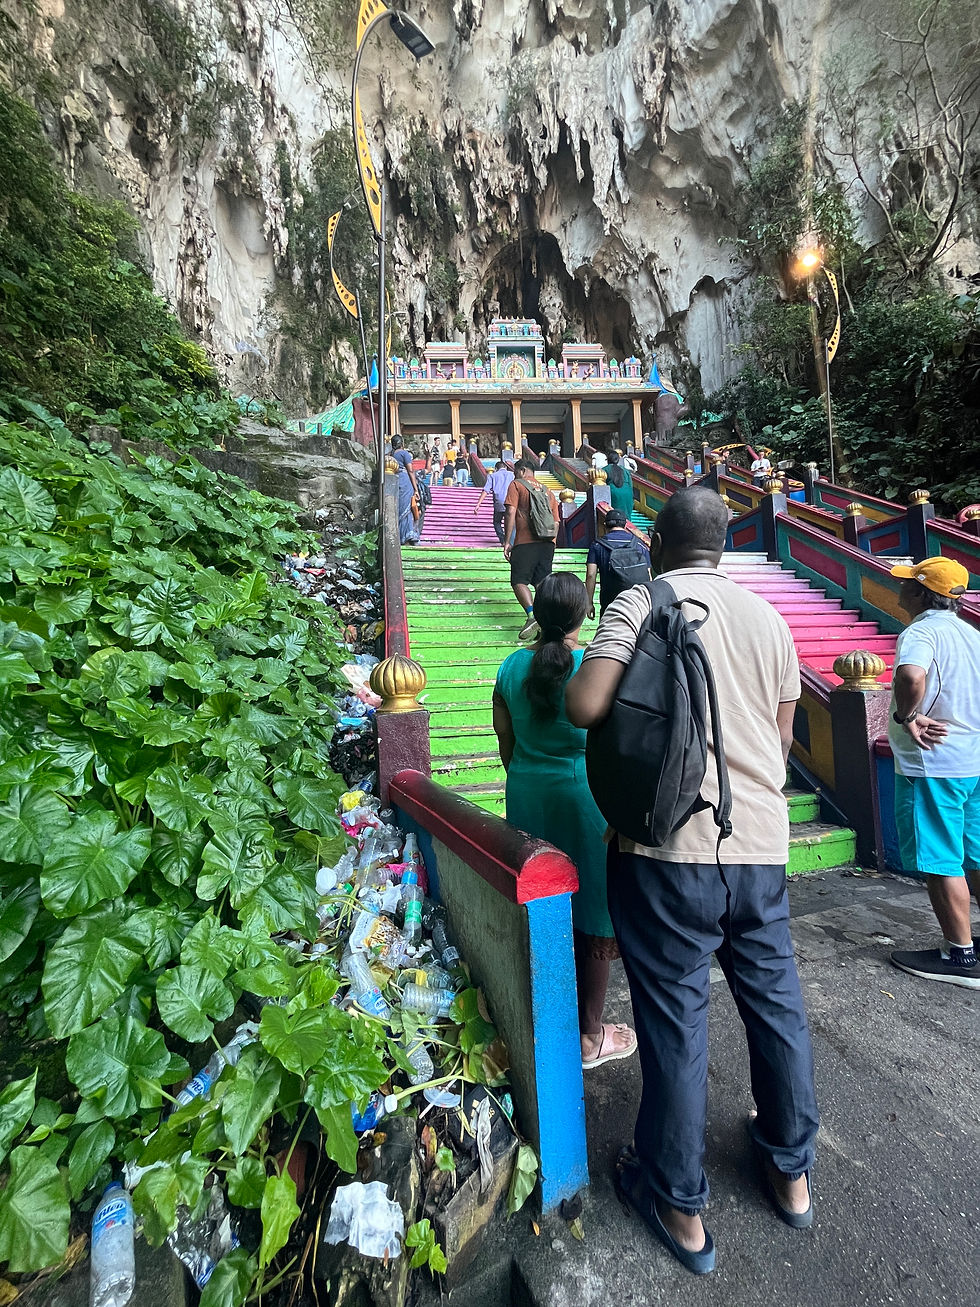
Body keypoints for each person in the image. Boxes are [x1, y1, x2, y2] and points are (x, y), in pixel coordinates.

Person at [565, 486, 818, 1276]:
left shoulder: (642, 599)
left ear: (658, 541)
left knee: (676, 1017)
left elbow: (583, 703)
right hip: (760, 846)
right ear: (729, 540)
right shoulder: (769, 618)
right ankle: (791, 1170)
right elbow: (778, 746)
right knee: (775, 1003)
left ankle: (678, 1202)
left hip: (667, 849)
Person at [493, 573, 637, 1069]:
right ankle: (589, 1036)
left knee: (540, 900)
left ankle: (545, 1015)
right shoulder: (590, 666)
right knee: (593, 908)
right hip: (583, 797)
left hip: (527, 794)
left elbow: (505, 743)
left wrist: (528, 773)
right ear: (583, 615)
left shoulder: (510, 666)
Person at [885, 557, 980, 989]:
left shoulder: (921, 631)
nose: (901, 590)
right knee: (975, 854)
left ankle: (960, 956)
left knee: (941, 858)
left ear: (923, 594)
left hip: (935, 763)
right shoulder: (971, 635)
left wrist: (909, 715)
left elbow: (910, 675)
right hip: (973, 761)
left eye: (908, 585)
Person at [503, 459, 559, 641]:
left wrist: (507, 541)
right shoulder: (547, 490)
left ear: (521, 470)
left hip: (525, 542)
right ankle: (547, 621)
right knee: (541, 582)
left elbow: (510, 512)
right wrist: (553, 542)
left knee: (519, 581)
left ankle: (532, 615)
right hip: (548, 542)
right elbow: (557, 521)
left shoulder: (517, 485)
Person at [584, 510, 651, 618]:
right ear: (625, 525)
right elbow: (648, 575)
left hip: (611, 604)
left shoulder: (597, 546)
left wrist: (589, 603)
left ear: (605, 525)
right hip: (638, 602)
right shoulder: (640, 545)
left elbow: (591, 575)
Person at [473, 460, 515, 544]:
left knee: (497, 522)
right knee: (512, 523)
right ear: (506, 467)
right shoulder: (512, 475)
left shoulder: (492, 476)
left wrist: (478, 504)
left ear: (496, 469)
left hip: (499, 503)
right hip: (511, 502)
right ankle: (511, 542)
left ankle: (502, 540)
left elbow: (486, 490)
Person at [390, 436, 420, 545]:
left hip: (393, 481)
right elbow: (410, 470)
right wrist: (416, 489)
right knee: (407, 509)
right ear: (401, 443)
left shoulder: (390, 455)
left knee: (398, 508)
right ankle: (408, 535)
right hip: (404, 480)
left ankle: (399, 535)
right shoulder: (404, 453)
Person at [605, 450, 634, 518]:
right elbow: (631, 484)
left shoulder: (604, 470)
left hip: (613, 492)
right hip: (628, 493)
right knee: (626, 517)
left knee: (615, 517)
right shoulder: (626, 470)